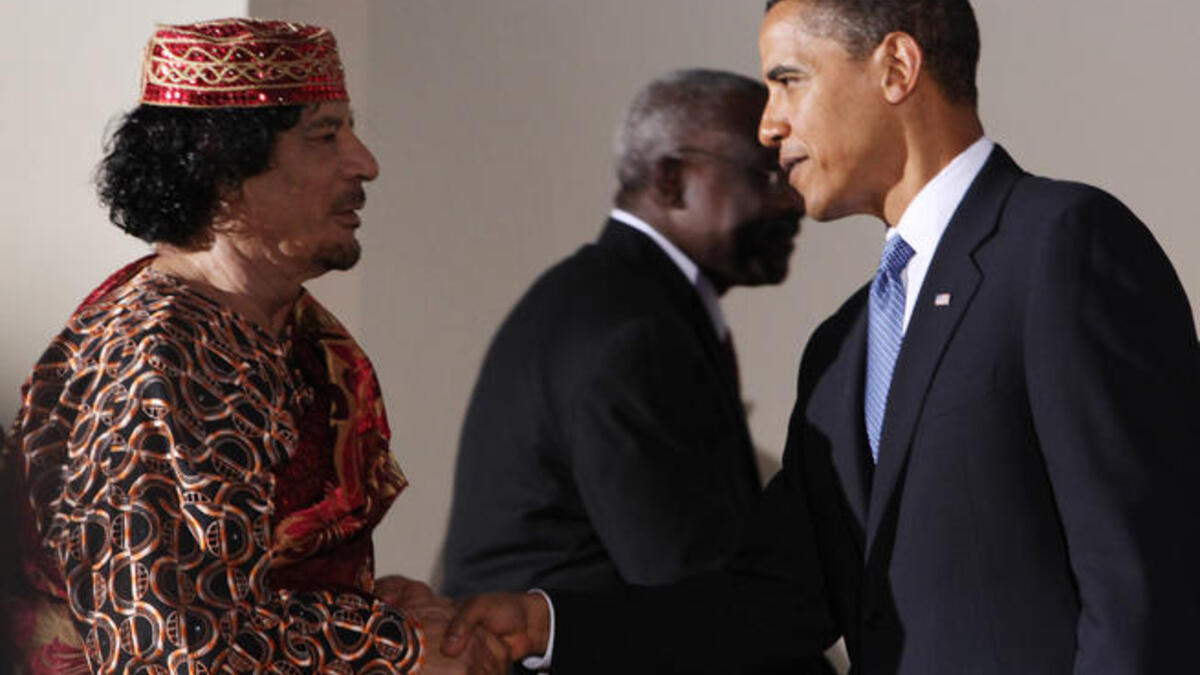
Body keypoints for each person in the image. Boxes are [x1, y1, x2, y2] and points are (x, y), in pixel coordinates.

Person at [443, 0, 1200, 672]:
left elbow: (1147, 578)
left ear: (896, 66)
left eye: (788, 80)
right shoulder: (841, 347)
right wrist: (545, 623)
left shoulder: (1061, 245)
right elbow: (770, 604)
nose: (769, 124)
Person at [2, 19, 501, 674]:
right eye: (325, 136)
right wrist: (396, 647)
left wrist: (372, 606)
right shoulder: (155, 361)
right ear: (220, 161)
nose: (365, 162)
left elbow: (262, 586)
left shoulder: (285, 328)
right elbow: (172, 649)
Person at [442, 69, 799, 593]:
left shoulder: (616, 297)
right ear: (671, 180)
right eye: (769, 177)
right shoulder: (631, 331)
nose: (794, 204)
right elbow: (685, 585)